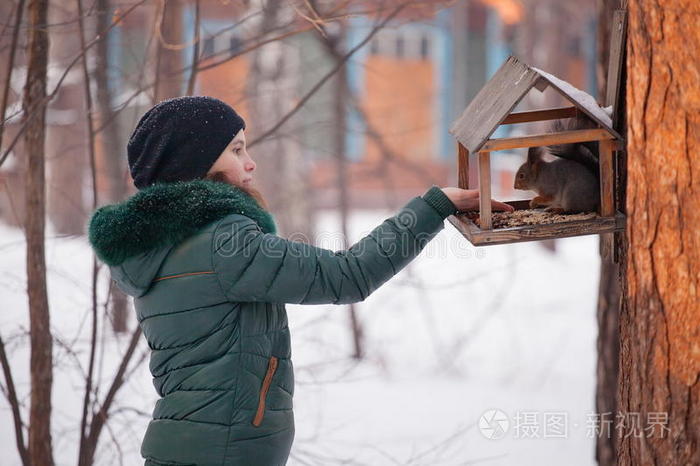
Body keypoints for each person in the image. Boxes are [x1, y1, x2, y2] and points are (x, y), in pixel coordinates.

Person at [87, 96, 513, 466]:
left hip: (190, 447)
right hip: (221, 453)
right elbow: (349, 275)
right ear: (196, 162)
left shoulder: (154, 247)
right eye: (236, 150)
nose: (250, 162)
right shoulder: (223, 244)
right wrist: (433, 206)